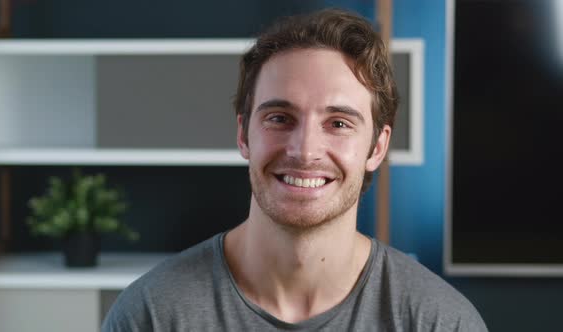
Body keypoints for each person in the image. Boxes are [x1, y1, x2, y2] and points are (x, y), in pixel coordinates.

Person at [102, 8, 487, 331]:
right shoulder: (150, 314)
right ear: (243, 134)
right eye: (280, 117)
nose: (304, 151)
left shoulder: (440, 322)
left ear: (377, 146)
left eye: (338, 123)